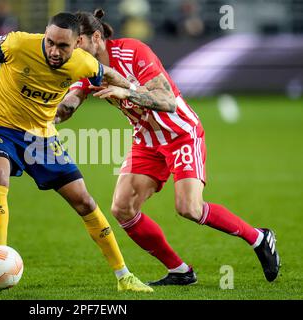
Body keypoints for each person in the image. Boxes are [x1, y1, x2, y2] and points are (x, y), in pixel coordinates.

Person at [55, 9, 280, 285]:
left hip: (180, 133)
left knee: (189, 208)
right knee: (122, 208)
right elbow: (70, 102)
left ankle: (259, 238)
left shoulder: (132, 52)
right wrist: (46, 116)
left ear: (96, 38)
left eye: (78, 43)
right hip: (146, 140)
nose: (73, 51)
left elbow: (168, 101)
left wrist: (126, 91)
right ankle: (180, 271)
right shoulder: (87, 69)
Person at [0, 12, 152, 292]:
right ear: (45, 35)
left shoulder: (82, 62)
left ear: (77, 44)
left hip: (42, 138)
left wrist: (135, 91)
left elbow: (108, 73)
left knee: (84, 201)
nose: (54, 50)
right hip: (0, 126)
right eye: (50, 42)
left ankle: (124, 276)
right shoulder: (18, 45)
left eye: (63, 46)